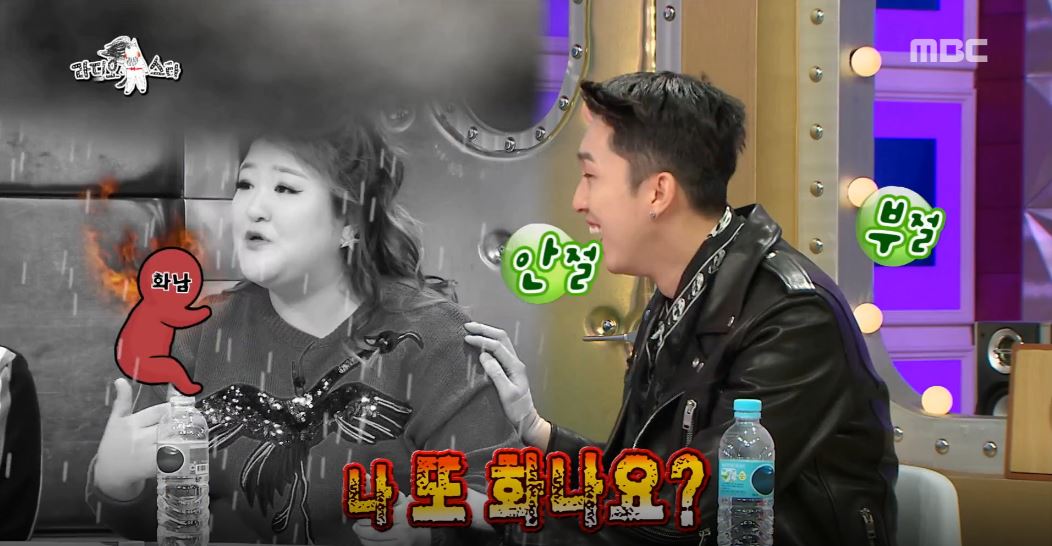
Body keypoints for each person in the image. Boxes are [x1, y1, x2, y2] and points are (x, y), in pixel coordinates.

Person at [464, 71, 899, 545]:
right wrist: (537, 429)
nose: (578, 201)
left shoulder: (793, 319)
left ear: (658, 192)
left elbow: (682, 508)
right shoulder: (680, 294)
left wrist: (501, 515)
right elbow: (639, 479)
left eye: (590, 177)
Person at [88, 118, 517, 545]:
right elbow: (159, 519)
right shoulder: (197, 332)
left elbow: (503, 507)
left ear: (351, 222)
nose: (254, 208)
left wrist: (429, 534)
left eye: (285, 188)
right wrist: (117, 482)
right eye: (245, 184)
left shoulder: (436, 336)